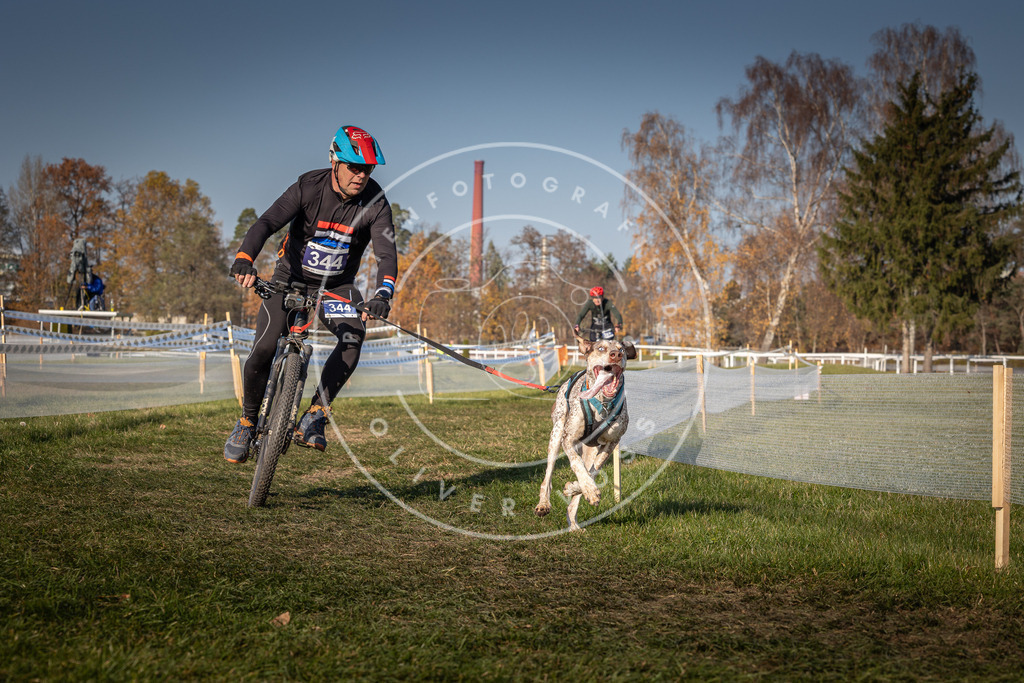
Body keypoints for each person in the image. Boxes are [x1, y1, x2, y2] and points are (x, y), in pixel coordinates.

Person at [224, 125, 398, 463]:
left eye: (368, 169)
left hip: (337, 286)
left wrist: (382, 294)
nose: (361, 175)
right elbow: (266, 223)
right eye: (354, 167)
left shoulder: (375, 203)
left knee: (353, 337)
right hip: (290, 279)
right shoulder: (308, 186)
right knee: (263, 348)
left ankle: (315, 414)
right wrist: (244, 259)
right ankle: (247, 421)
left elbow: (386, 253)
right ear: (335, 161)